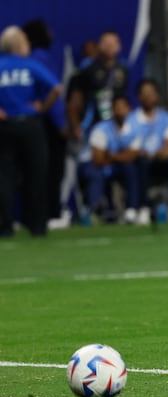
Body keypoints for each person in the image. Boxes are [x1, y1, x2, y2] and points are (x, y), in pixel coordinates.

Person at [0, 26, 62, 237]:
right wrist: (43, 107)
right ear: (19, 44)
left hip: (4, 126)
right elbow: (56, 88)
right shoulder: (30, 66)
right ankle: (37, 226)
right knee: (36, 175)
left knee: (4, 177)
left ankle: (5, 227)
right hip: (30, 125)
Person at [22, 19, 70, 228]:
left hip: (24, 122)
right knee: (51, 170)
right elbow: (53, 91)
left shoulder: (21, 60)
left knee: (27, 172)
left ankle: (26, 216)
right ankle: (51, 214)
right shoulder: (40, 58)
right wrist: (60, 123)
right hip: (45, 123)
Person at [123, 79, 168, 225]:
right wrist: (147, 153)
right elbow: (129, 146)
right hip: (142, 159)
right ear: (139, 97)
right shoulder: (132, 119)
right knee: (141, 164)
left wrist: (167, 150)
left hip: (161, 159)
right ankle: (143, 208)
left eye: (151, 93)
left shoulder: (166, 118)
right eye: (144, 94)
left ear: (157, 96)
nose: (148, 97)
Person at [79, 95, 139, 224]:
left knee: (131, 169)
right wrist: (121, 156)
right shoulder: (101, 129)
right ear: (112, 111)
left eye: (123, 108)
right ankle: (93, 209)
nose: (120, 111)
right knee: (96, 173)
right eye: (116, 108)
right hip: (91, 163)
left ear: (129, 109)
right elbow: (98, 159)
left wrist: (112, 156)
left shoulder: (133, 129)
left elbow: (132, 155)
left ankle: (132, 210)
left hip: (114, 163)